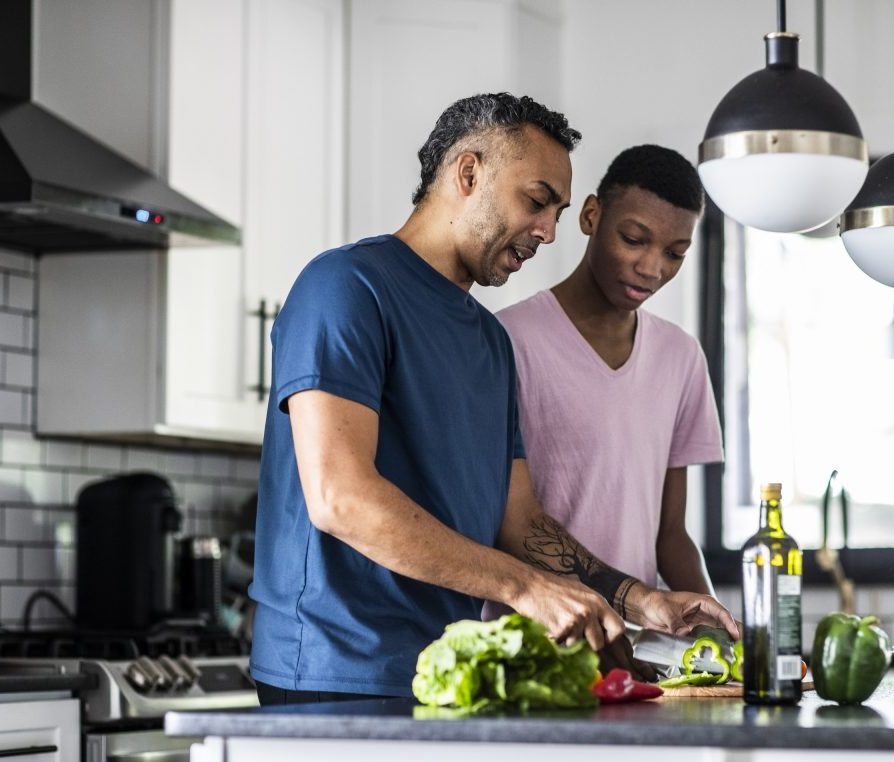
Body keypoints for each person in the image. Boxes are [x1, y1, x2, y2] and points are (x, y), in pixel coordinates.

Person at [248, 94, 737, 706]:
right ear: (469, 173)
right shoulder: (346, 287)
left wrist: (640, 599)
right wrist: (527, 589)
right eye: (536, 202)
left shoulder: (488, 340)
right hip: (331, 676)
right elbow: (340, 498)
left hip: (452, 674)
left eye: (557, 211)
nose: (548, 231)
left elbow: (521, 521)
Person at [495, 145, 722, 600]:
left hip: (639, 647)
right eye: (634, 239)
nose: (652, 268)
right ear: (591, 216)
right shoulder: (506, 339)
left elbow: (670, 536)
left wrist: (722, 633)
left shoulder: (681, 357)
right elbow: (505, 521)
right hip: (535, 645)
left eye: (675, 253)